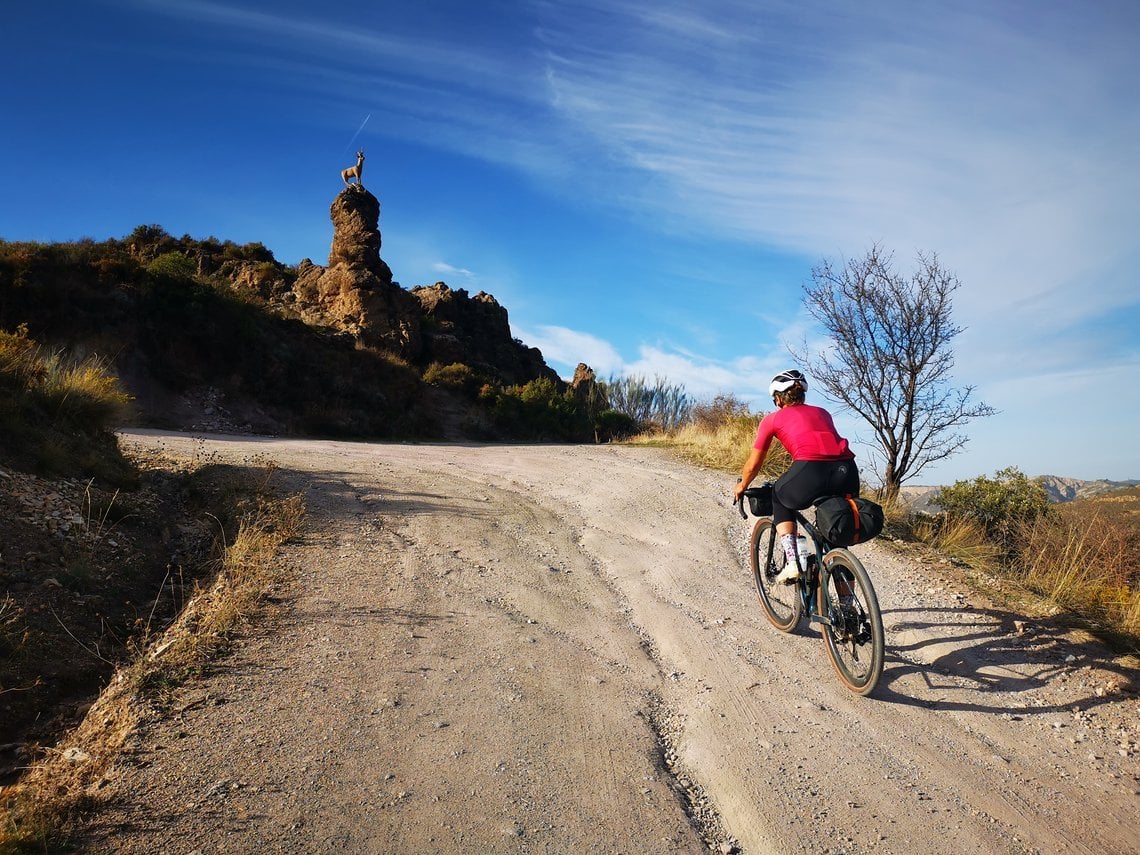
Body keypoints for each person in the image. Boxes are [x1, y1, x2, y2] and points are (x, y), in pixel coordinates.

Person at [733, 369, 859, 583]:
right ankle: (848, 609)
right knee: (836, 538)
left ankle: (793, 560)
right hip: (847, 471)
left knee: (778, 494)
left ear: (779, 398)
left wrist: (742, 485)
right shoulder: (822, 412)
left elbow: (754, 463)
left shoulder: (772, 420)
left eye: (775, 399)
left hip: (812, 468)